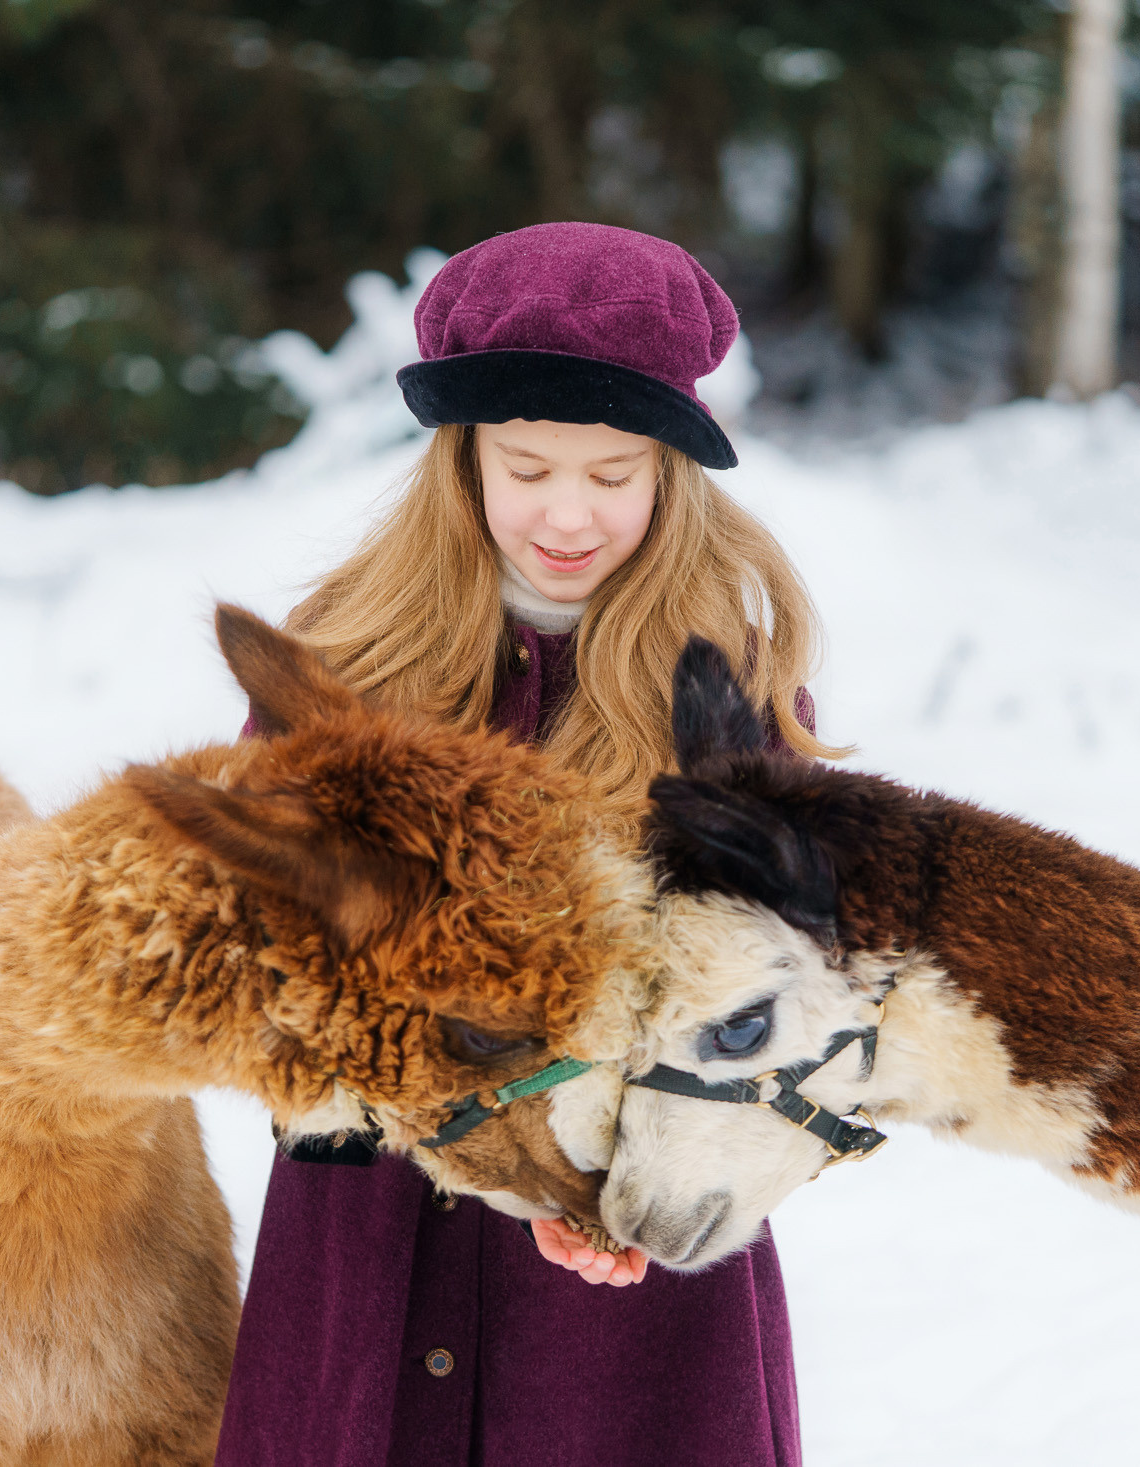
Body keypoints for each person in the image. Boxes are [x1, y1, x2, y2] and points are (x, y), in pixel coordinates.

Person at [215, 221, 840, 1467]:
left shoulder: (730, 692)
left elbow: (785, 1008)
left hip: (629, 1271)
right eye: (528, 467)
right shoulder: (337, 660)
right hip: (368, 1244)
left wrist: (625, 1184)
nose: (568, 513)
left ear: (671, 472)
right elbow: (258, 951)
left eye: (613, 474)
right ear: (463, 462)